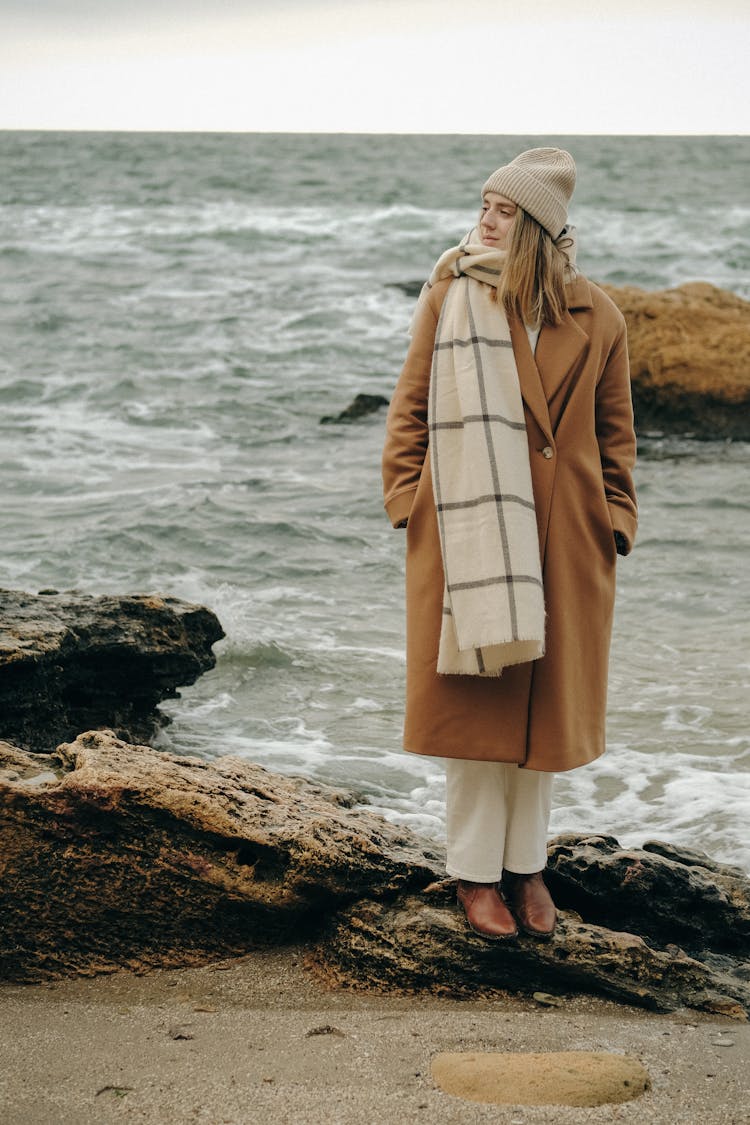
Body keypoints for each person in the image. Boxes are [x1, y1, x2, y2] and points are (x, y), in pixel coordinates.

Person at [382, 148, 637, 941]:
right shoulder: (450, 294)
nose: (484, 218)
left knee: (540, 722)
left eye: (501, 210)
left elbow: (616, 432)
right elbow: (411, 410)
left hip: (566, 544)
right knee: (479, 714)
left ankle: (527, 868)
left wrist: (616, 522)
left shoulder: (596, 314)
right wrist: (407, 505)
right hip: (469, 533)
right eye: (485, 204)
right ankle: (474, 876)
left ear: (534, 226)